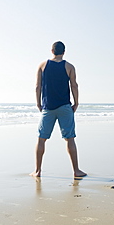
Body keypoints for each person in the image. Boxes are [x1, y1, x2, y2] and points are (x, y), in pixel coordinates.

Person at [30, 41, 87, 178]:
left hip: (47, 107)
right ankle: (76, 170)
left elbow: (37, 86)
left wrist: (38, 103)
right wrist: (77, 102)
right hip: (65, 107)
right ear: (64, 51)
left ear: (52, 50)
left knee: (41, 139)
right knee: (70, 139)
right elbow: (74, 85)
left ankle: (37, 171)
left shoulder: (42, 66)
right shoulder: (69, 67)